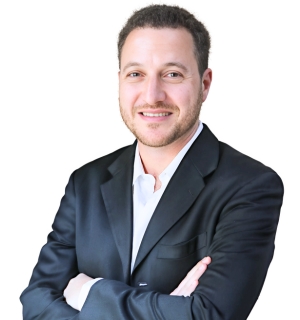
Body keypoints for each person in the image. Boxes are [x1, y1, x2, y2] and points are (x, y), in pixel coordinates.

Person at [20, 4, 284, 319]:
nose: (152, 94)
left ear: (204, 83)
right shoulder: (85, 183)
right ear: (119, 81)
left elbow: (208, 315)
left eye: (172, 74)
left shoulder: (250, 186)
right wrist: (169, 309)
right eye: (136, 74)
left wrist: (88, 291)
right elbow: (36, 304)